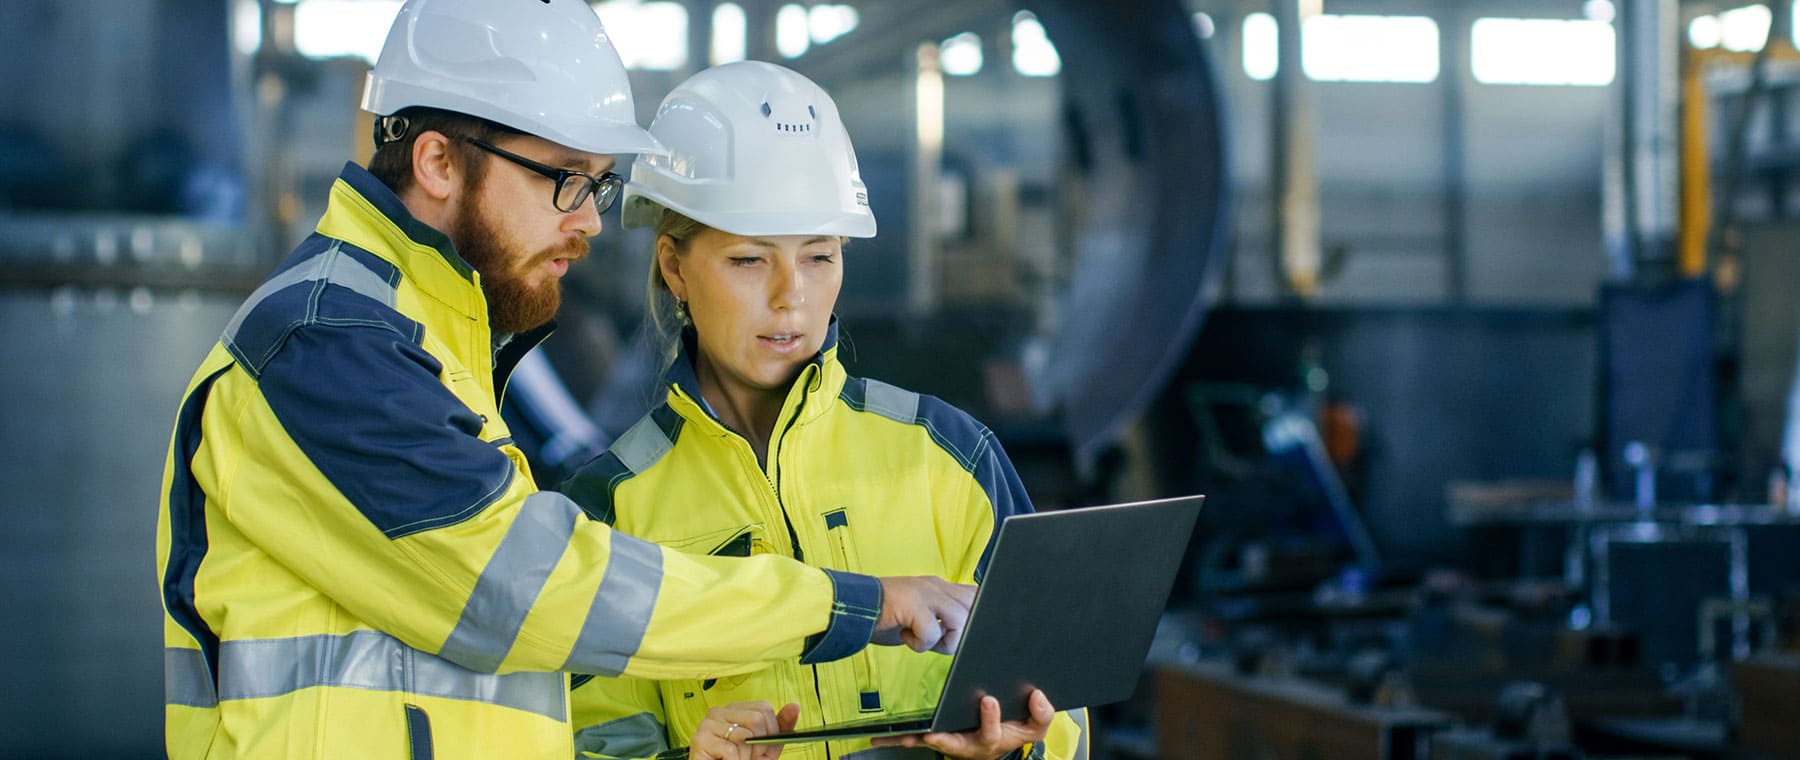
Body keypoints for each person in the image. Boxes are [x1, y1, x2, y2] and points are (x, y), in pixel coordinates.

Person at [154, 3, 973, 758]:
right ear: (438, 160)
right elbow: (527, 590)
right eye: (565, 178)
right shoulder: (328, 340)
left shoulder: (432, 339)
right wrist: (843, 605)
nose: (588, 219)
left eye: (597, 183)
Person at [560, 61, 1090, 760]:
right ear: (675, 267)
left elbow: (1064, 712)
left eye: (818, 257)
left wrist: (1019, 748)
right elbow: (583, 736)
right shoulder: (612, 508)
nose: (792, 298)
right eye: (750, 261)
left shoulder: (950, 455)